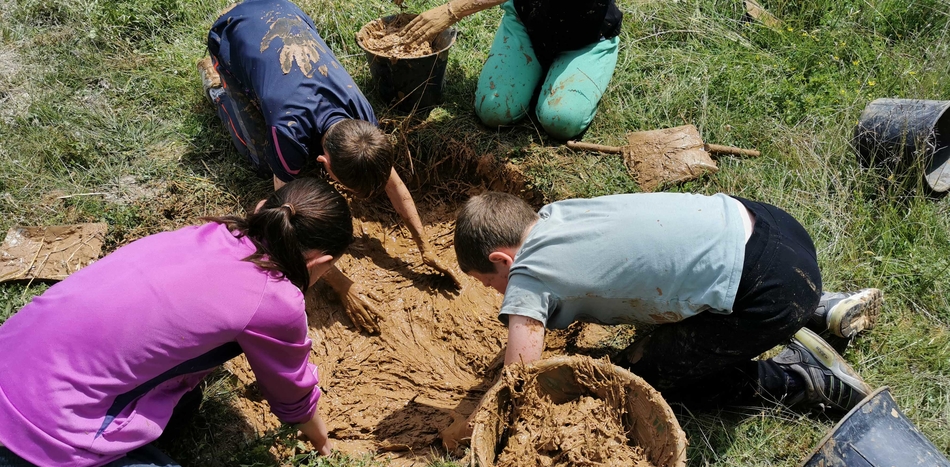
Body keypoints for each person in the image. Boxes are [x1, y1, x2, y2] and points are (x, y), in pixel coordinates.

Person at [0, 177, 353, 467]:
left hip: (21, 373)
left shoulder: (209, 233)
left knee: (185, 401)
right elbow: (293, 396)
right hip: (31, 454)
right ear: (322, 263)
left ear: (262, 208)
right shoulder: (275, 298)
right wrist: (324, 445)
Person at [453, 190, 884, 415]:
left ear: (501, 259)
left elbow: (519, 378)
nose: (498, 294)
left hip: (768, 290)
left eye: (489, 283)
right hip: (771, 228)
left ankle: (799, 379)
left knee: (644, 379)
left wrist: (472, 422)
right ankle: (821, 308)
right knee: (699, 279)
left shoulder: (526, 273)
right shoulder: (556, 215)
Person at [199, 0, 459, 334]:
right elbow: (287, 218)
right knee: (261, 160)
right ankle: (215, 83)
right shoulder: (288, 132)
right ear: (323, 165)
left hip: (286, 12)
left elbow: (391, 181)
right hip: (235, 32)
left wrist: (423, 246)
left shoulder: (363, 118)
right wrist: (342, 285)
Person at [402, 0, 622, 140]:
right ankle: (536, 71)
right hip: (529, 22)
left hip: (587, 36)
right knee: (494, 110)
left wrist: (453, 10)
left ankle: (583, 66)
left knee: (561, 121)